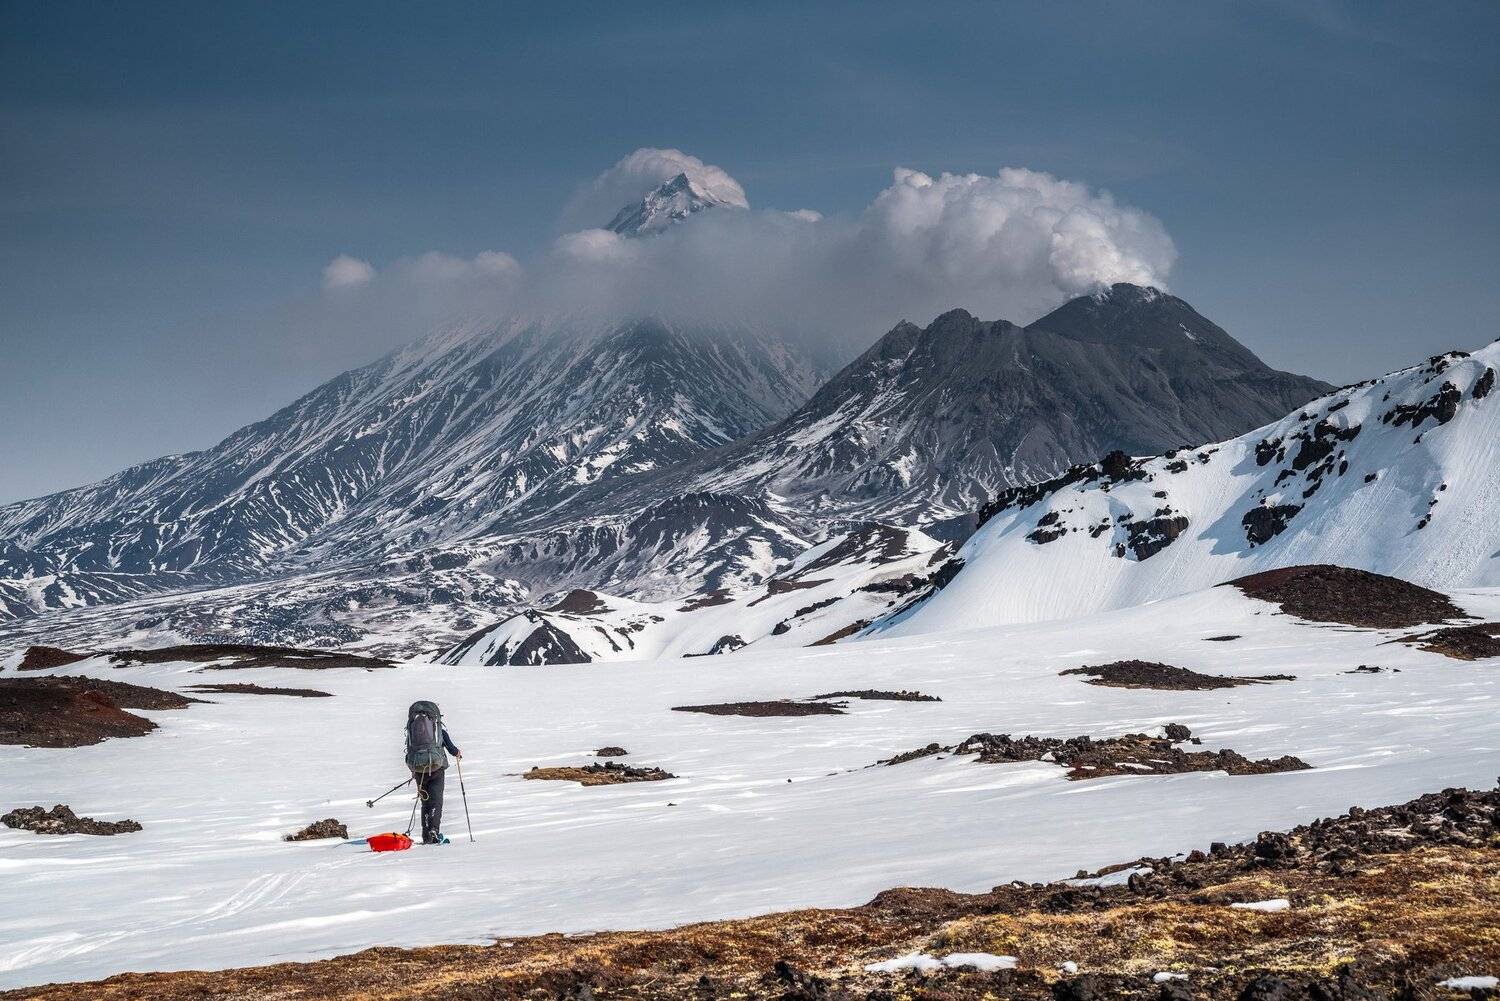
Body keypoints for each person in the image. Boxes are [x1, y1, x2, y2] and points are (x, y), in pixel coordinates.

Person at [405, 701, 462, 845]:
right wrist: (457, 753)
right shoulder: (438, 732)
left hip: (419, 770)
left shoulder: (413, 731)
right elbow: (452, 748)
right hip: (436, 768)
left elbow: (409, 750)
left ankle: (426, 835)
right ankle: (434, 830)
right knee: (436, 801)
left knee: (425, 802)